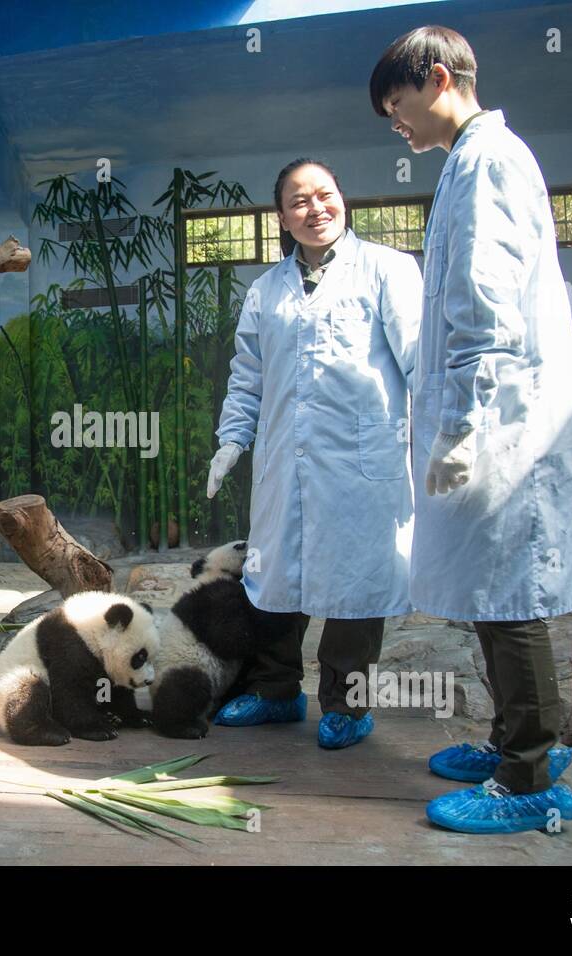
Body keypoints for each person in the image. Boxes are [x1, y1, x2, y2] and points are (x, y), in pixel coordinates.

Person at [369, 25, 572, 834]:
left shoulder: (488, 160)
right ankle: (515, 742)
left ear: (435, 78)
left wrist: (461, 427)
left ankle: (530, 775)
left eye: (398, 107)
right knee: (496, 592)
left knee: (511, 597)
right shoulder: (470, 161)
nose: (398, 126)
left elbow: (486, 313)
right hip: (491, 412)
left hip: (503, 418)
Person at [206, 158, 422, 749]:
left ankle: (347, 706)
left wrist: (441, 443)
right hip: (285, 462)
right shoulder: (265, 289)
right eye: (298, 201)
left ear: (342, 198)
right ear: (282, 215)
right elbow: (247, 374)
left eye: (323, 195)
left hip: (362, 463)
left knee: (354, 585)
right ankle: (276, 691)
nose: (314, 208)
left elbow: (420, 363)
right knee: (276, 579)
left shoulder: (387, 271)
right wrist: (233, 438)